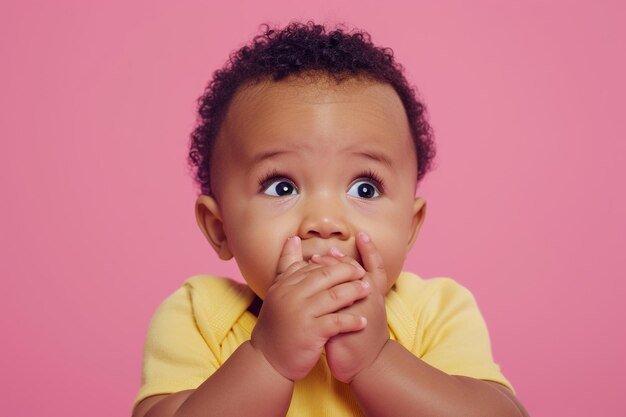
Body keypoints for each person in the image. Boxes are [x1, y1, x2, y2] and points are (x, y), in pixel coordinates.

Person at [132, 21, 529, 417]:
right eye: (282, 187)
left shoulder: (435, 312)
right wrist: (267, 358)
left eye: (364, 189)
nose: (325, 222)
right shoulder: (199, 314)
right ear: (220, 229)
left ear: (410, 228)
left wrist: (378, 360)